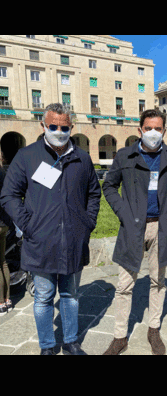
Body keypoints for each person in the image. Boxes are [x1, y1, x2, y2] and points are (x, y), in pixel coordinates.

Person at [0, 103, 101, 355]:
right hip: (40, 241)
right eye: (53, 126)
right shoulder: (27, 157)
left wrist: (87, 223)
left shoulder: (83, 158)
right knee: (44, 297)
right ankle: (47, 345)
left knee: (70, 294)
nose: (58, 131)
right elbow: (9, 195)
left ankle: (70, 341)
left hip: (74, 241)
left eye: (64, 127)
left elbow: (94, 193)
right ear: (43, 125)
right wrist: (27, 224)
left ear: (71, 127)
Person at [102, 109, 167, 355]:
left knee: (157, 282)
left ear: (164, 130)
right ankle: (120, 336)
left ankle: (154, 329)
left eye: (158, 128)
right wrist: (123, 212)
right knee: (124, 285)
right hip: (132, 228)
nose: (153, 132)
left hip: (161, 227)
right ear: (140, 129)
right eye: (148, 128)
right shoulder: (125, 156)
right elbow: (109, 186)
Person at [0, 161, 13, 316]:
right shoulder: (3, 172)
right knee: (2, 262)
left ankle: (1, 303)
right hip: (5, 223)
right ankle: (8, 300)